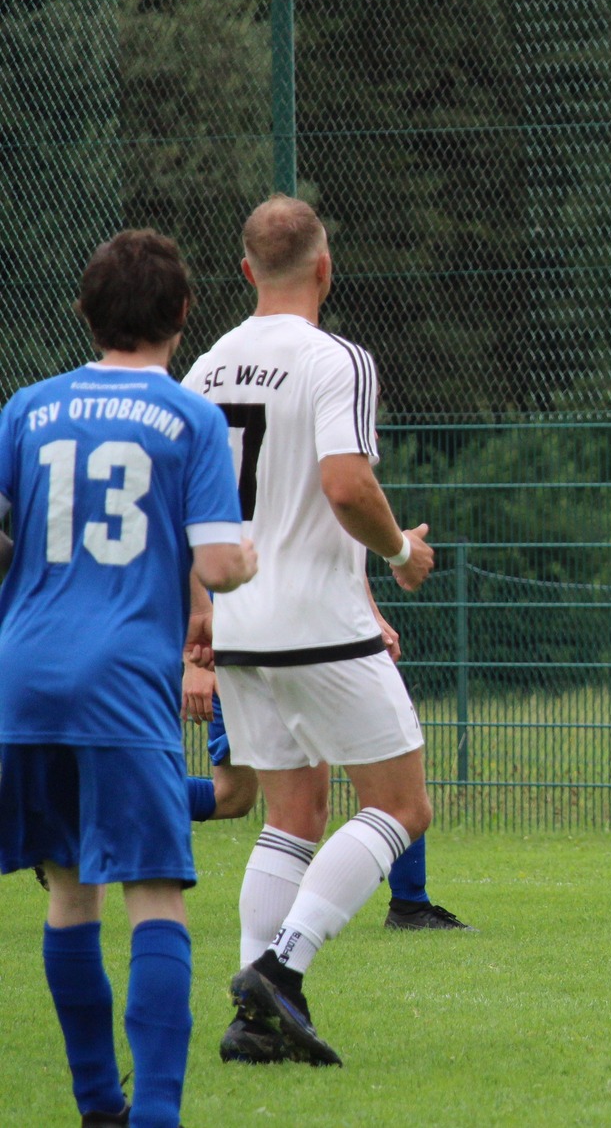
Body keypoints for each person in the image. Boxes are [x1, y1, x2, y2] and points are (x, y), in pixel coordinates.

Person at [0, 230, 258, 1128]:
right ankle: (154, 1115)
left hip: (23, 676)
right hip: (119, 680)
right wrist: (248, 556)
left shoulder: (27, 407)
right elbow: (218, 566)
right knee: (154, 892)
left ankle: (97, 1106)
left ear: (87, 311)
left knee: (71, 890)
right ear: (184, 312)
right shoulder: (189, 418)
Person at [183, 194, 438, 1067]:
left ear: (247, 271)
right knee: (402, 805)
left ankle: (254, 1022)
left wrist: (199, 616)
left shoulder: (206, 367)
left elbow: (188, 509)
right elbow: (346, 485)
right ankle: (280, 972)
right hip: (318, 623)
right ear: (325, 268)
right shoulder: (338, 359)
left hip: (239, 624)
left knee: (292, 813)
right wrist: (401, 551)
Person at [180, 653, 471, 933]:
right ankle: (405, 906)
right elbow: (195, 615)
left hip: (281, 660)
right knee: (293, 811)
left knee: (238, 799)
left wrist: (371, 622)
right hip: (270, 664)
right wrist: (196, 665)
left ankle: (408, 904)